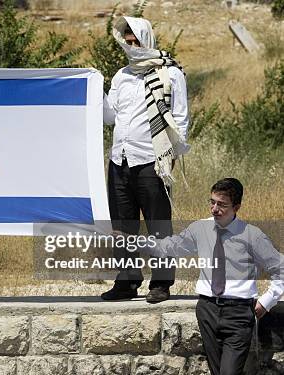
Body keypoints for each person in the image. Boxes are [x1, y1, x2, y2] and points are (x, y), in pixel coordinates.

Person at [137, 178, 283, 375]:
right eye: (212, 202)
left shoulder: (252, 235)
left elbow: (280, 269)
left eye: (221, 204)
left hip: (239, 314)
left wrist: (267, 300)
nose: (214, 209)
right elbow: (169, 247)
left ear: (237, 207)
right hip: (207, 310)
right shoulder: (200, 229)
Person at [102, 16, 190, 303]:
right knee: (122, 225)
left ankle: (161, 284)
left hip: (153, 161)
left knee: (158, 225)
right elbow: (109, 117)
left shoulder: (170, 74)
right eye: (126, 42)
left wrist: (172, 157)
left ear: (146, 39)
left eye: (135, 41)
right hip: (120, 160)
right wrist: (93, 90)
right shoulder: (121, 76)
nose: (131, 46)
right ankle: (126, 282)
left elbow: (180, 118)